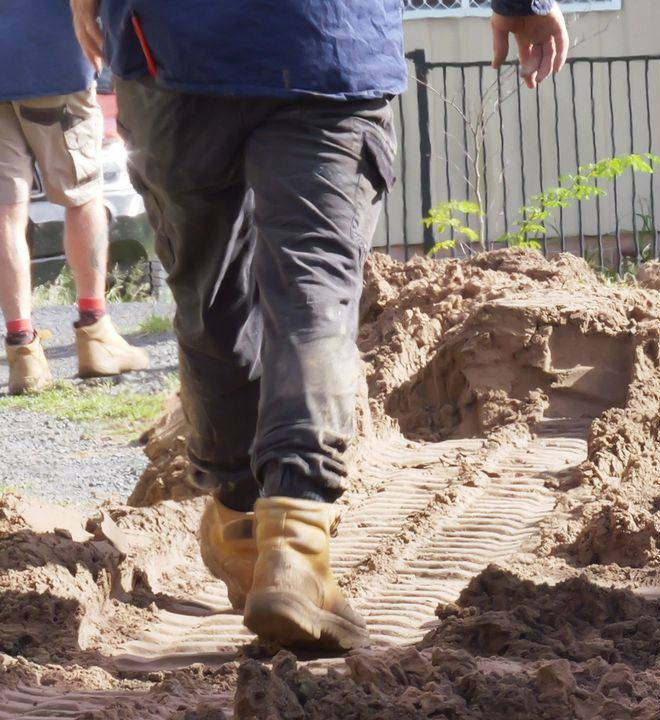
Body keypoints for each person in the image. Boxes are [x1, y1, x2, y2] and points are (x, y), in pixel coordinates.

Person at [67, 0, 570, 651]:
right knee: (313, 295)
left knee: (209, 293)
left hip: (174, 44)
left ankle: (242, 520)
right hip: (325, 43)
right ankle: (295, 546)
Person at [1, 0, 149, 396]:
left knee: (5, 214)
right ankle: (95, 333)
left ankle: (23, 354)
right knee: (82, 197)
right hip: (52, 59)